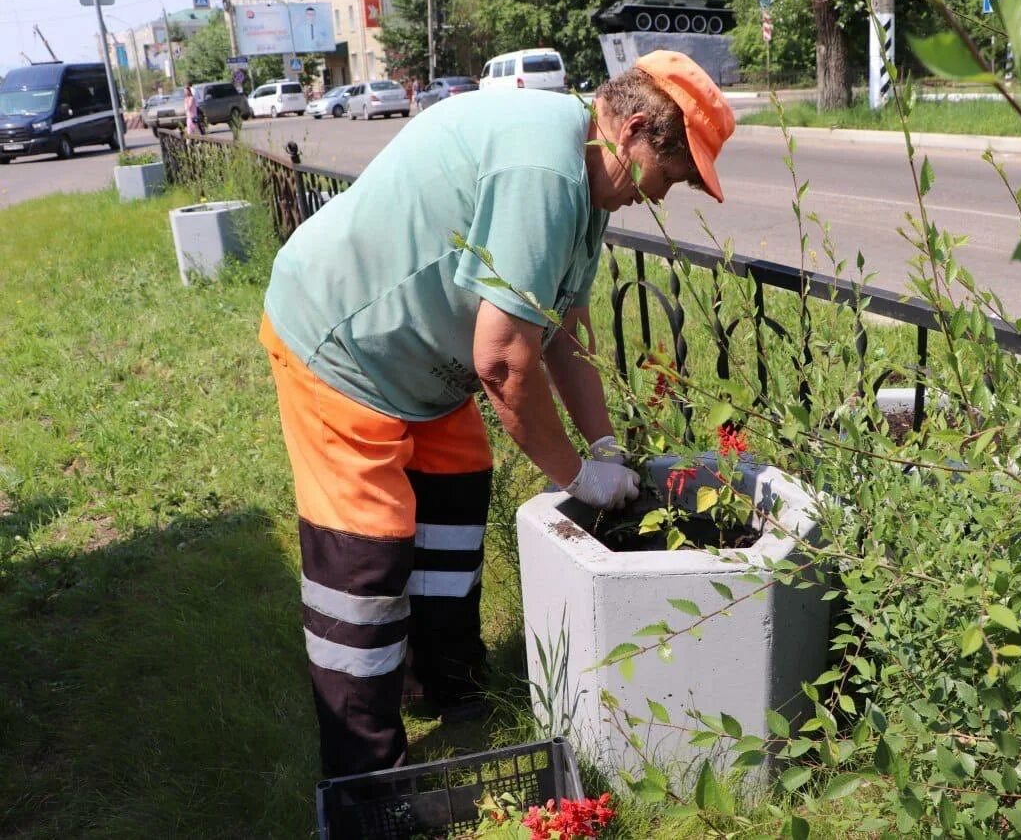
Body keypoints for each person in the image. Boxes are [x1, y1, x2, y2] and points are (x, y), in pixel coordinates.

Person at [259, 50, 735, 779]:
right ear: (635, 130)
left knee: (455, 499)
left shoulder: (587, 177)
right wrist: (576, 473)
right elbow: (506, 360)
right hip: (346, 348)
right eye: (672, 176)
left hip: (421, 366)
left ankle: (444, 683)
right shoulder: (543, 171)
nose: (666, 196)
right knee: (366, 555)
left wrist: (603, 442)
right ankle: (365, 772)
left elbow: (564, 328)